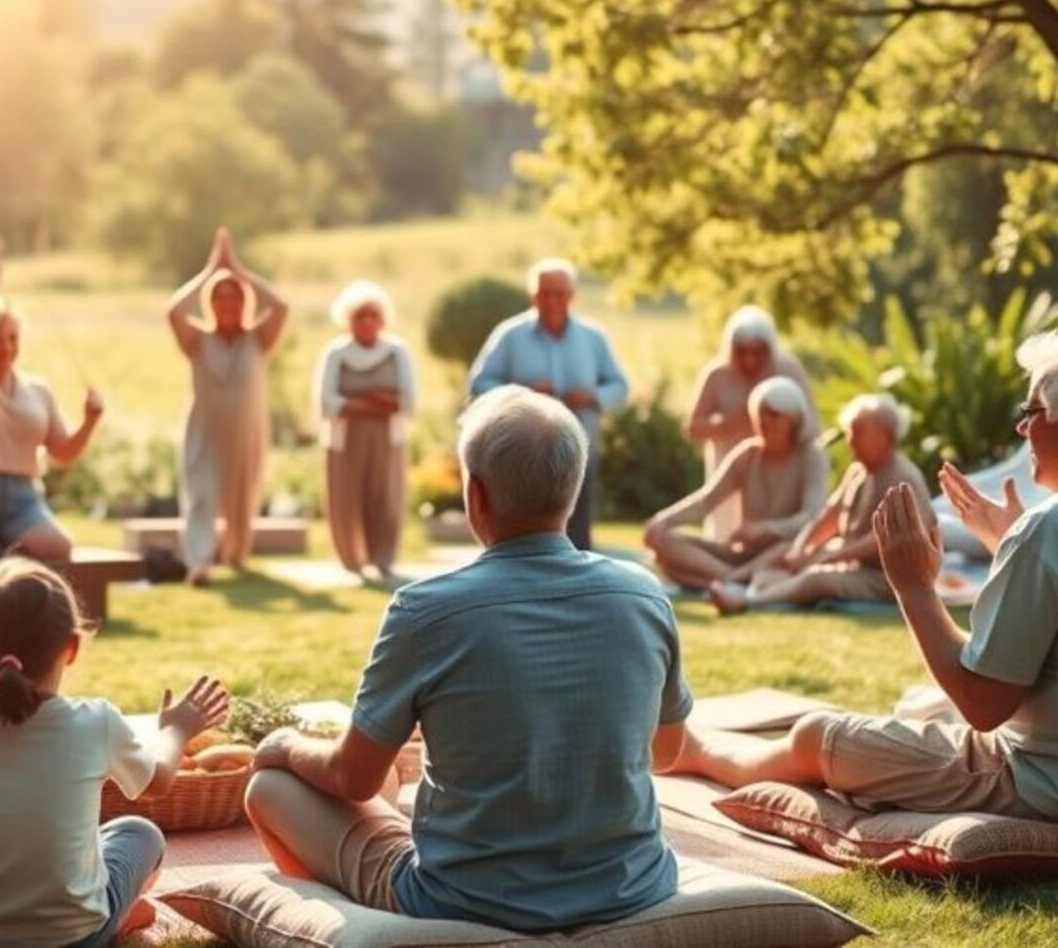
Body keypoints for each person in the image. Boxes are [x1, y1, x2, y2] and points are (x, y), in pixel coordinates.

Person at [663, 331, 1058, 832]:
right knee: (923, 706)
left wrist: (913, 586)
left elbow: (983, 704)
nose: (1023, 427)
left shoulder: (1057, 528)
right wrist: (1007, 543)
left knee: (819, 736)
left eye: (1033, 412)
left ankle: (700, 751)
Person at [244, 387, 693, 933]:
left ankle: (353, 928)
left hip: (462, 900)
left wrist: (285, 746)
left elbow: (353, 777)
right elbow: (664, 754)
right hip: (631, 887)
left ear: (475, 495)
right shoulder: (644, 597)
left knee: (269, 788)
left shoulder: (426, 610)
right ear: (571, 494)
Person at [0, 559, 232, 947]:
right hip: (74, 936)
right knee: (141, 833)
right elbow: (156, 783)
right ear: (71, 648)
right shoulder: (96, 721)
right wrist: (176, 729)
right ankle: (118, 918)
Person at [0, 235, 104, 562]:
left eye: (12, 338)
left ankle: (3, 549)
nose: (7, 347)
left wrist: (89, 422)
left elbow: (63, 452)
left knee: (58, 548)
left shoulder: (37, 390)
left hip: (24, 502)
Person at [717, 393, 933, 612]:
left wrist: (828, 559)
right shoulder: (858, 471)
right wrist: (801, 550)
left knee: (821, 578)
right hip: (854, 564)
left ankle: (748, 602)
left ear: (884, 436)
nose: (850, 440)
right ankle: (740, 584)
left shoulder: (902, 478)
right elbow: (830, 516)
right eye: (850, 432)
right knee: (784, 552)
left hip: (889, 580)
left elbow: (879, 541)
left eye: (857, 433)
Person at [466, 258, 628, 550]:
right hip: (520, 452)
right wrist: (522, 392)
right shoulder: (510, 336)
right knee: (520, 523)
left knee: (578, 525)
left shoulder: (592, 338)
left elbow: (620, 386)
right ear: (533, 295)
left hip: (579, 446)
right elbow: (479, 384)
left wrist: (592, 396)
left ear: (572, 296)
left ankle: (579, 585)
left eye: (560, 293)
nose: (553, 300)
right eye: (545, 292)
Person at [643, 376, 830, 608]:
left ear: (793, 419)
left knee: (790, 547)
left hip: (780, 553)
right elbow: (708, 499)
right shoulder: (748, 453)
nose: (765, 421)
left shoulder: (812, 456)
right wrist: (664, 520)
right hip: (738, 555)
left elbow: (812, 518)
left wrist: (766, 529)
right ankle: (735, 582)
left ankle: (722, 581)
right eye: (760, 413)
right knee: (663, 542)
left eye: (773, 414)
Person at [168, 227, 289, 585]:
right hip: (204, 430)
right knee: (201, 494)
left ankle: (235, 553)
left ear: (244, 302)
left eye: (234, 297)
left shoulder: (259, 338)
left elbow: (280, 305)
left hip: (246, 432)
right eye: (219, 298)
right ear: (210, 304)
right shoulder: (197, 340)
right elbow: (174, 310)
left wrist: (237, 270)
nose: (228, 304)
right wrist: (210, 271)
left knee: (241, 498)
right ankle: (199, 562)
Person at [314, 280, 418, 582]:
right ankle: (351, 559)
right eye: (360, 316)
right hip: (345, 439)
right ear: (348, 320)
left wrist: (373, 404)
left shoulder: (397, 352)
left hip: (387, 437)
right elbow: (326, 399)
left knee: (385, 495)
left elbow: (407, 399)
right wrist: (367, 405)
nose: (367, 322)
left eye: (373, 315)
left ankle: (383, 557)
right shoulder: (335, 353)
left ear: (382, 319)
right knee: (345, 496)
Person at [685, 305, 818, 539]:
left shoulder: (788, 369)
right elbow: (693, 428)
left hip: (778, 468)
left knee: (770, 531)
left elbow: (810, 424)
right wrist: (737, 422)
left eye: (757, 352)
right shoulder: (717, 374)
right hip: (728, 464)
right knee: (725, 530)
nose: (749, 360)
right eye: (742, 352)